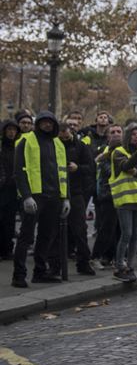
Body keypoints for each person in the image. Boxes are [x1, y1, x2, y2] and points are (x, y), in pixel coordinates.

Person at [11, 112, 70, 287]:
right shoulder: (26, 140)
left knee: (47, 236)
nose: (47, 125)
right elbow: (19, 170)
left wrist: (65, 198)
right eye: (44, 122)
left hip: (54, 196)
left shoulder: (58, 143)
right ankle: (18, 275)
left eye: (50, 123)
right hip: (35, 195)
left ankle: (40, 272)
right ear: (38, 124)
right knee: (26, 236)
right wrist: (26, 196)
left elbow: (63, 173)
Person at [110, 125, 137, 283]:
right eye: (133, 134)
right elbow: (126, 167)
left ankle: (130, 265)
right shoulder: (119, 152)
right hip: (126, 200)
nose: (136, 137)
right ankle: (119, 266)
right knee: (126, 233)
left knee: (135, 235)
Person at [59, 121, 96, 275]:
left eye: (66, 132)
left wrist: (77, 168)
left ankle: (83, 262)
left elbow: (91, 167)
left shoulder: (81, 146)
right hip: (57, 193)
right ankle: (55, 263)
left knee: (80, 229)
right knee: (54, 231)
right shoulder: (53, 145)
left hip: (75, 192)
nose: (64, 135)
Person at [90, 124, 123, 270]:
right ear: (107, 136)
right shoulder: (104, 153)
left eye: (119, 131)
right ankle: (95, 256)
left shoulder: (124, 151)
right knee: (106, 228)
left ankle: (112, 257)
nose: (116, 134)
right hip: (107, 195)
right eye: (113, 132)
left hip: (122, 195)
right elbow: (111, 171)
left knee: (118, 229)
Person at [0, 119, 19, 259]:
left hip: (13, 189)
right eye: (9, 130)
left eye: (14, 130)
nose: (11, 133)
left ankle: (7, 249)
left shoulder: (18, 147)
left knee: (10, 221)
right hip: (2, 188)